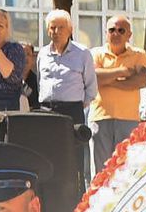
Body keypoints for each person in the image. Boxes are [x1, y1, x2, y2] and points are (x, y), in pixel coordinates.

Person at [34, 10, 98, 170]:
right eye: (52, 27)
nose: (56, 31)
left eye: (61, 27)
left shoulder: (82, 53)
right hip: (47, 111)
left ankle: (76, 186)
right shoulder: (43, 54)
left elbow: (91, 87)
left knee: (73, 157)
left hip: (72, 111)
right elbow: (40, 81)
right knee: (48, 154)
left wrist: (79, 105)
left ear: (70, 30)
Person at [91, 16, 146, 168]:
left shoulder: (139, 54)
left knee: (126, 168)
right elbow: (94, 78)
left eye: (121, 30)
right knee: (101, 169)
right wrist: (122, 71)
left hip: (129, 119)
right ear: (106, 33)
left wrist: (108, 79)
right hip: (101, 117)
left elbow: (140, 81)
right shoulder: (96, 53)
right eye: (111, 30)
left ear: (129, 35)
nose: (115, 34)